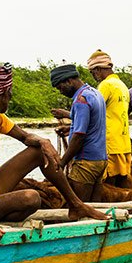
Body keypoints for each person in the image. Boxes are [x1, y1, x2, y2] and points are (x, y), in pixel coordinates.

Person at [0, 62, 108, 243]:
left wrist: (44, 142)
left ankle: (76, 205)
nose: (10, 97)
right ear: (2, 93)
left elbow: (26, 138)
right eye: (9, 93)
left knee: (38, 152)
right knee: (31, 197)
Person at [50, 63, 108, 201]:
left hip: (86, 162)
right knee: (95, 206)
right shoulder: (95, 93)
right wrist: (70, 129)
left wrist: (62, 162)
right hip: (101, 159)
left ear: (69, 81)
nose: (61, 92)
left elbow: (79, 137)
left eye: (60, 87)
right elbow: (92, 125)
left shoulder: (81, 100)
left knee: (79, 205)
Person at [87, 49, 132, 187]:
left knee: (108, 186)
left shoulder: (105, 85)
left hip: (110, 144)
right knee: (122, 184)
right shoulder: (122, 85)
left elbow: (93, 111)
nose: (94, 76)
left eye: (93, 72)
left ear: (98, 69)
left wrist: (67, 115)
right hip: (123, 144)